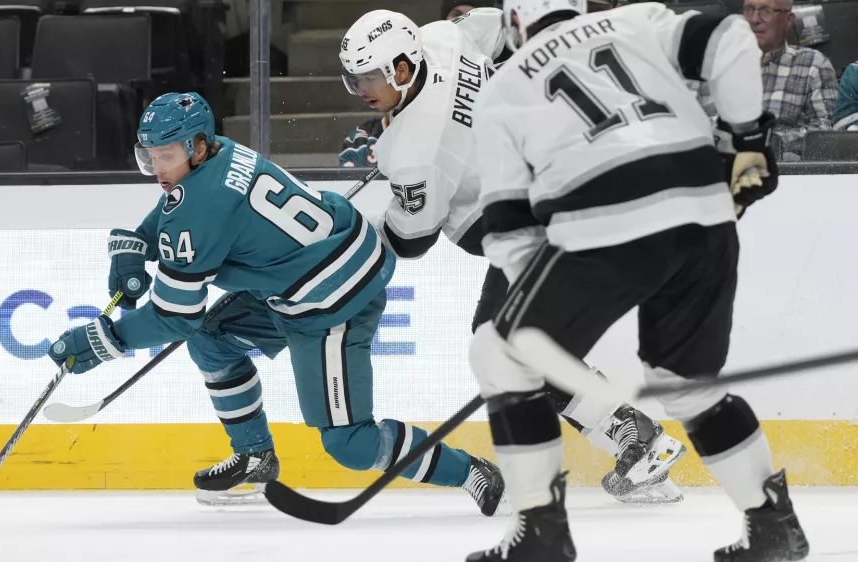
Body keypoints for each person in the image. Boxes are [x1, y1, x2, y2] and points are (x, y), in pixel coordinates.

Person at [46, 92, 507, 516]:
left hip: (334, 300)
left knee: (350, 443)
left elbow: (174, 315)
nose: (158, 168)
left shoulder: (200, 210)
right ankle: (255, 455)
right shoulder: (220, 151)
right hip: (316, 268)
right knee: (212, 340)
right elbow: (182, 209)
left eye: (166, 156)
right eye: (150, 156)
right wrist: (140, 241)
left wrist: (105, 338)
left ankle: (470, 471)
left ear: (197, 147)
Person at [466, 0, 811, 559]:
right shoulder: (637, 19)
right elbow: (731, 39)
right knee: (685, 383)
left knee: (497, 353)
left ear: (514, 24)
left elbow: (509, 232)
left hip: (603, 221)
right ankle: (774, 526)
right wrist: (746, 138)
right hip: (706, 214)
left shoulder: (503, 87)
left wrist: (540, 322)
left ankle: (543, 539)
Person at [339, 7, 687, 504]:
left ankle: (639, 438)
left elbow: (413, 239)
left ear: (401, 68)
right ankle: (634, 440)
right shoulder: (441, 39)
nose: (361, 90)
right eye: (353, 79)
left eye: (370, 77)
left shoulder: (413, 152)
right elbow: (499, 25)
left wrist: (370, 226)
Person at [692, 0, 838, 157]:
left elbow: (826, 131)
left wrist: (772, 141)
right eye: (749, 10)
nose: (754, 19)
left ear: (788, 21)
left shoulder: (812, 64)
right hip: (712, 164)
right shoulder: (709, 63)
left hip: (781, 169)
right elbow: (684, 120)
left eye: (765, 11)